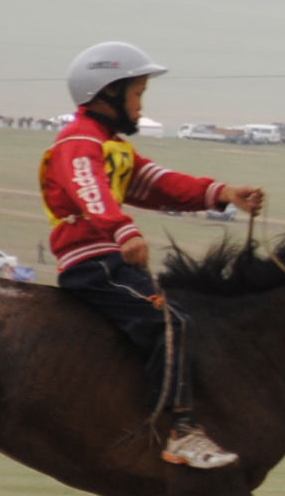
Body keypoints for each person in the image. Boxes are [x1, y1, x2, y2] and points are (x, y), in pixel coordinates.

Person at [41, 41, 265, 470]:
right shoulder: (79, 142)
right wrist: (122, 230)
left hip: (110, 259)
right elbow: (91, 190)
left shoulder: (112, 146)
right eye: (137, 93)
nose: (141, 105)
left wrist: (221, 193)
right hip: (95, 263)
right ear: (107, 92)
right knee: (169, 321)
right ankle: (180, 432)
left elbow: (156, 183)